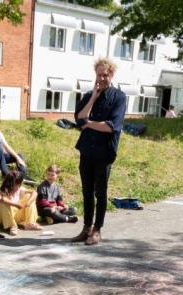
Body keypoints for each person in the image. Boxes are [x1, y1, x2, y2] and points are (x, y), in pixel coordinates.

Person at [72, 57, 127, 246]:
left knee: (100, 193)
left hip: (104, 153)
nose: (102, 78)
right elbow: (79, 119)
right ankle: (86, 228)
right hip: (86, 150)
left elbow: (112, 126)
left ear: (111, 75)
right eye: (99, 75)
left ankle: (97, 229)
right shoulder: (88, 96)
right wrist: (93, 98)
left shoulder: (119, 97)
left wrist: (88, 124)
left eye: (105, 74)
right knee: (86, 192)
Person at [0, 113, 28, 179]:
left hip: (0, 156)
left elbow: (6, 146)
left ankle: (22, 175)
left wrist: (17, 158)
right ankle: (5, 173)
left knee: (18, 156)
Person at [0, 170, 41, 235]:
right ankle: (12, 226)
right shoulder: (2, 190)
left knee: (28, 196)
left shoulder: (20, 189)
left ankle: (30, 223)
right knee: (4, 202)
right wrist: (15, 204)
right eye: (17, 184)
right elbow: (0, 199)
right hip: (4, 217)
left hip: (16, 215)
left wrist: (28, 203)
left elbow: (35, 192)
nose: (18, 186)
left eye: (19, 184)